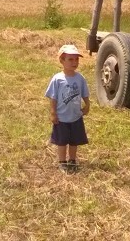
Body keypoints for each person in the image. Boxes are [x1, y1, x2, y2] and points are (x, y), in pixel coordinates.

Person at [44, 44, 90, 172]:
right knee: (62, 141)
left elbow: (85, 94)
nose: (74, 62)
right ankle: (62, 161)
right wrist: (53, 113)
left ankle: (72, 160)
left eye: (76, 59)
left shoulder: (80, 78)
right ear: (61, 61)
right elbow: (53, 98)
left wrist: (87, 105)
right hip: (62, 118)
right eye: (70, 59)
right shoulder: (58, 79)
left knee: (74, 141)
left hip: (76, 116)